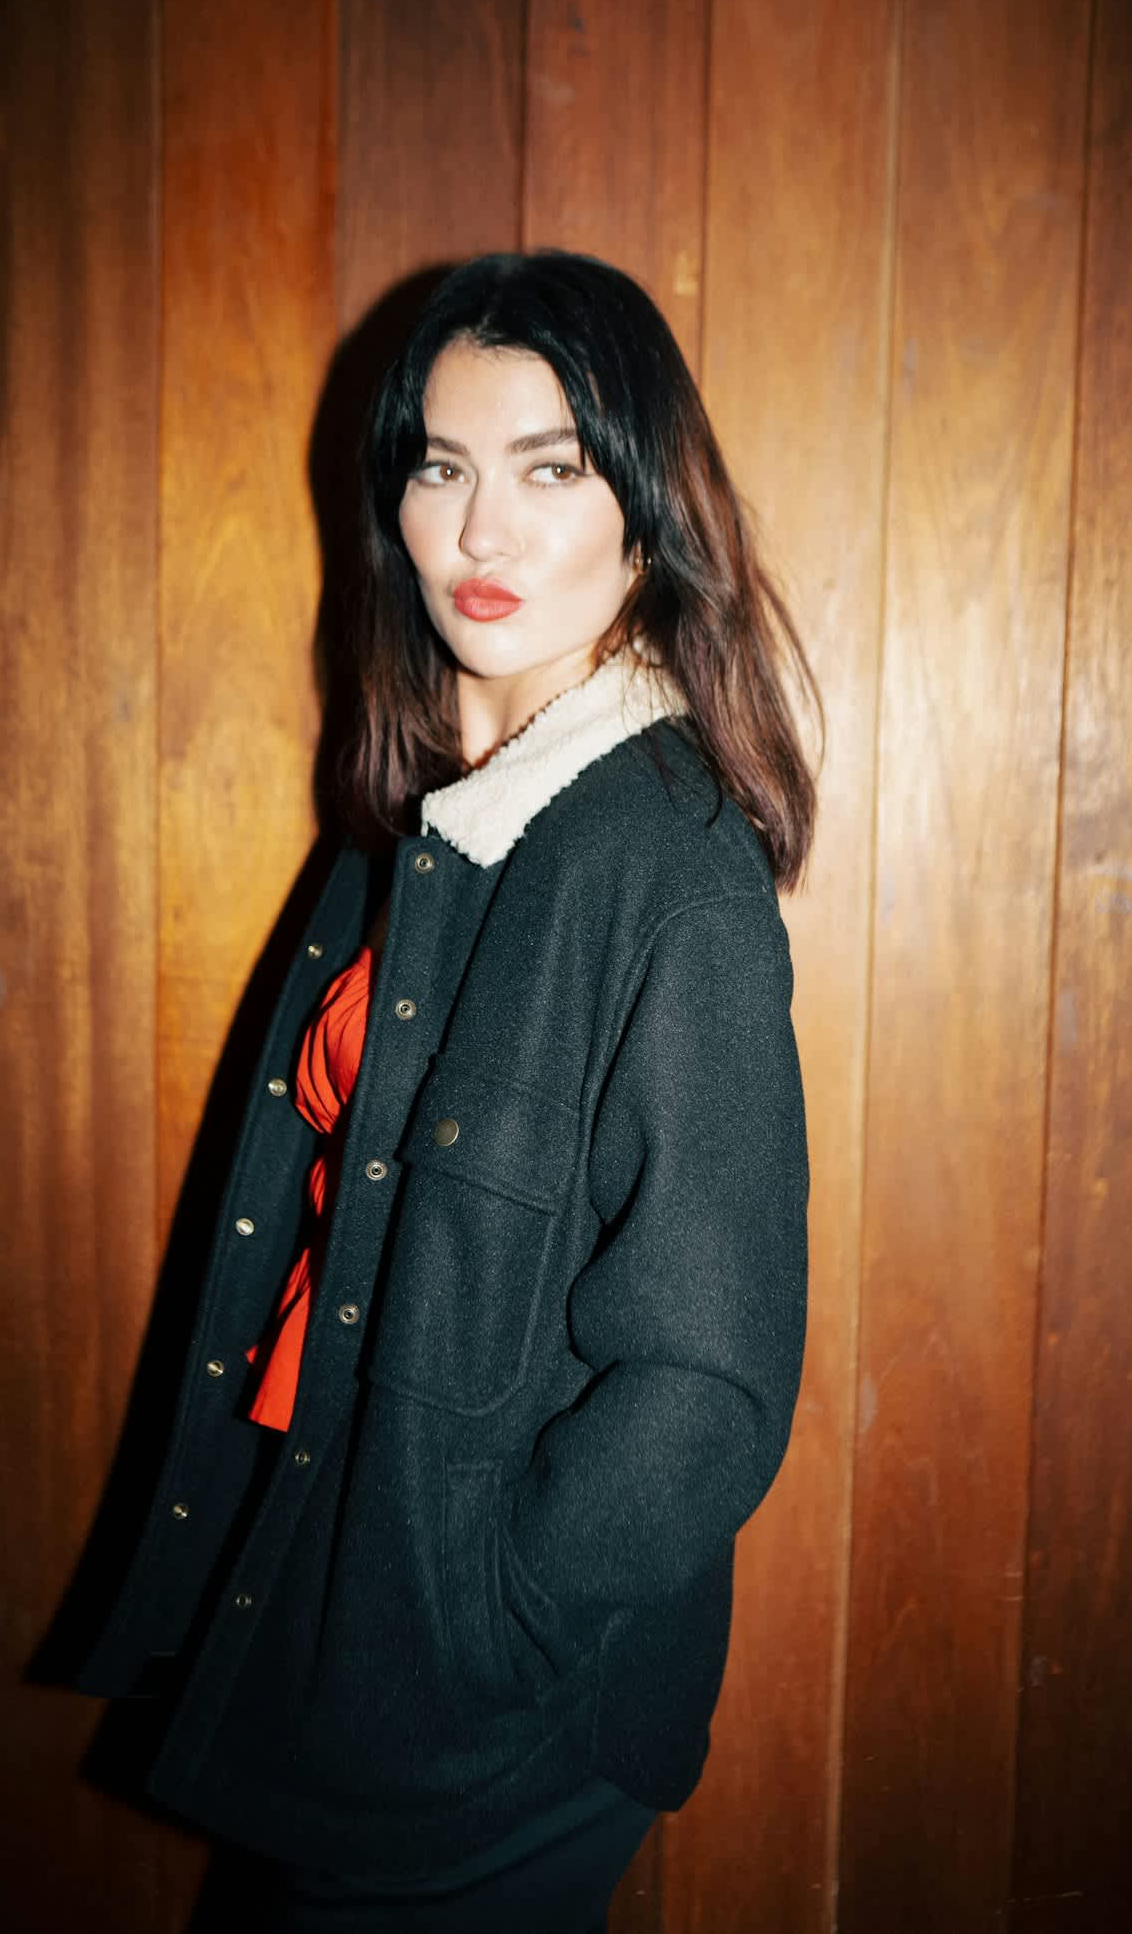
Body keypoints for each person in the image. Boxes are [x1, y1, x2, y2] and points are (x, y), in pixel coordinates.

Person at [74, 250, 817, 1932]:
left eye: (548, 471)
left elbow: (705, 1383)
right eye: (440, 468)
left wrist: (483, 1621)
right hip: (333, 1604)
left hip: (484, 1707)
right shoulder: (421, 821)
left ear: (645, 514)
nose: (480, 532)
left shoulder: (664, 864)